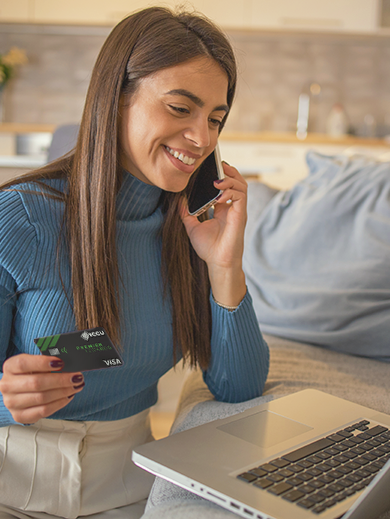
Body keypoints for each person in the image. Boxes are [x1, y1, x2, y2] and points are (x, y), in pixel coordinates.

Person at [0, 6, 269, 519]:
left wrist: (224, 265)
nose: (202, 138)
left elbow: (239, 387)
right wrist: (6, 396)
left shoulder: (188, 229)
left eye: (215, 118)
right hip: (12, 483)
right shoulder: (22, 218)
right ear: (116, 98)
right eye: (179, 108)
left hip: (132, 487)